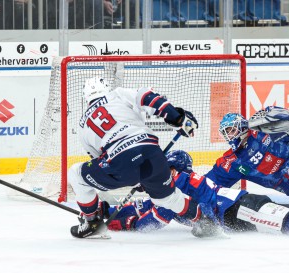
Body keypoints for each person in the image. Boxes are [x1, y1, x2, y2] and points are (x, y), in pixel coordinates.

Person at [103, 150, 289, 237]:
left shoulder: (174, 185)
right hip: (240, 208)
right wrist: (106, 213)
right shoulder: (179, 181)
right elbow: (148, 205)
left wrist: (125, 223)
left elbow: (156, 216)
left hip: (239, 208)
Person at [69, 77, 198, 238]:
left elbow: (99, 160)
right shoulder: (117, 94)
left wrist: (134, 178)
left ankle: (91, 221)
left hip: (119, 162)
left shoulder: (83, 125)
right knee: (169, 199)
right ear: (107, 88)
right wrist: (177, 118)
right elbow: (146, 96)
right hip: (152, 153)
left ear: (85, 97)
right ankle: (204, 221)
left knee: (75, 173)